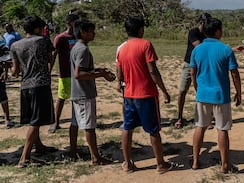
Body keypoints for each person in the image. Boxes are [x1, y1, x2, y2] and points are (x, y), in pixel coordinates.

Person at [116, 16, 178, 174]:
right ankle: (160, 164)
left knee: (127, 128)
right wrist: (164, 90)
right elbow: (153, 71)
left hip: (128, 95)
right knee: (153, 131)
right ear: (140, 29)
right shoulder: (145, 44)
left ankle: (128, 164)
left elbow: (120, 74)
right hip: (146, 95)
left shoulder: (121, 49)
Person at [190, 18, 242, 173]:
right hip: (221, 95)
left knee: (200, 127)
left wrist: (196, 88)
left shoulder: (197, 49)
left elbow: (193, 72)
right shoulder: (226, 49)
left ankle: (195, 161)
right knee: (222, 129)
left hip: (203, 94)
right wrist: (239, 93)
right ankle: (225, 164)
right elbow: (234, 74)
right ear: (218, 31)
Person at [10, 15, 57, 168]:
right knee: (36, 122)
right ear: (37, 28)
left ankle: (39, 146)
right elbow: (50, 59)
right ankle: (24, 158)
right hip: (40, 84)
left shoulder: (15, 45)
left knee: (33, 119)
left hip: (25, 86)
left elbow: (15, 71)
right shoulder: (43, 41)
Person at [70, 20, 116, 165]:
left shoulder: (77, 47)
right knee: (89, 127)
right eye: (91, 31)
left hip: (79, 92)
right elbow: (79, 74)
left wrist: (99, 71)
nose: (94, 34)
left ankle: (75, 151)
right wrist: (101, 75)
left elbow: (83, 70)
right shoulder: (82, 49)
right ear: (83, 32)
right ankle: (95, 158)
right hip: (84, 93)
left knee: (78, 123)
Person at [175, 13, 212, 129]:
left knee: (203, 92)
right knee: (182, 91)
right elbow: (200, 47)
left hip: (202, 65)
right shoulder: (193, 32)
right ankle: (179, 117)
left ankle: (207, 118)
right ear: (201, 23)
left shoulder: (208, 35)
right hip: (189, 64)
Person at [48, 13, 79, 133]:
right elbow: (53, 55)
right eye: (76, 22)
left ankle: (76, 121)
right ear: (69, 23)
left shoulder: (78, 36)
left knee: (77, 98)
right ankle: (56, 122)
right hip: (65, 73)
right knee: (61, 98)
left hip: (77, 73)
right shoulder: (60, 38)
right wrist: (49, 72)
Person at [0, 40, 13, 128]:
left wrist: (5, 72)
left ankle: (7, 119)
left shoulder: (2, 45)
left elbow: (7, 61)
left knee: (3, 97)